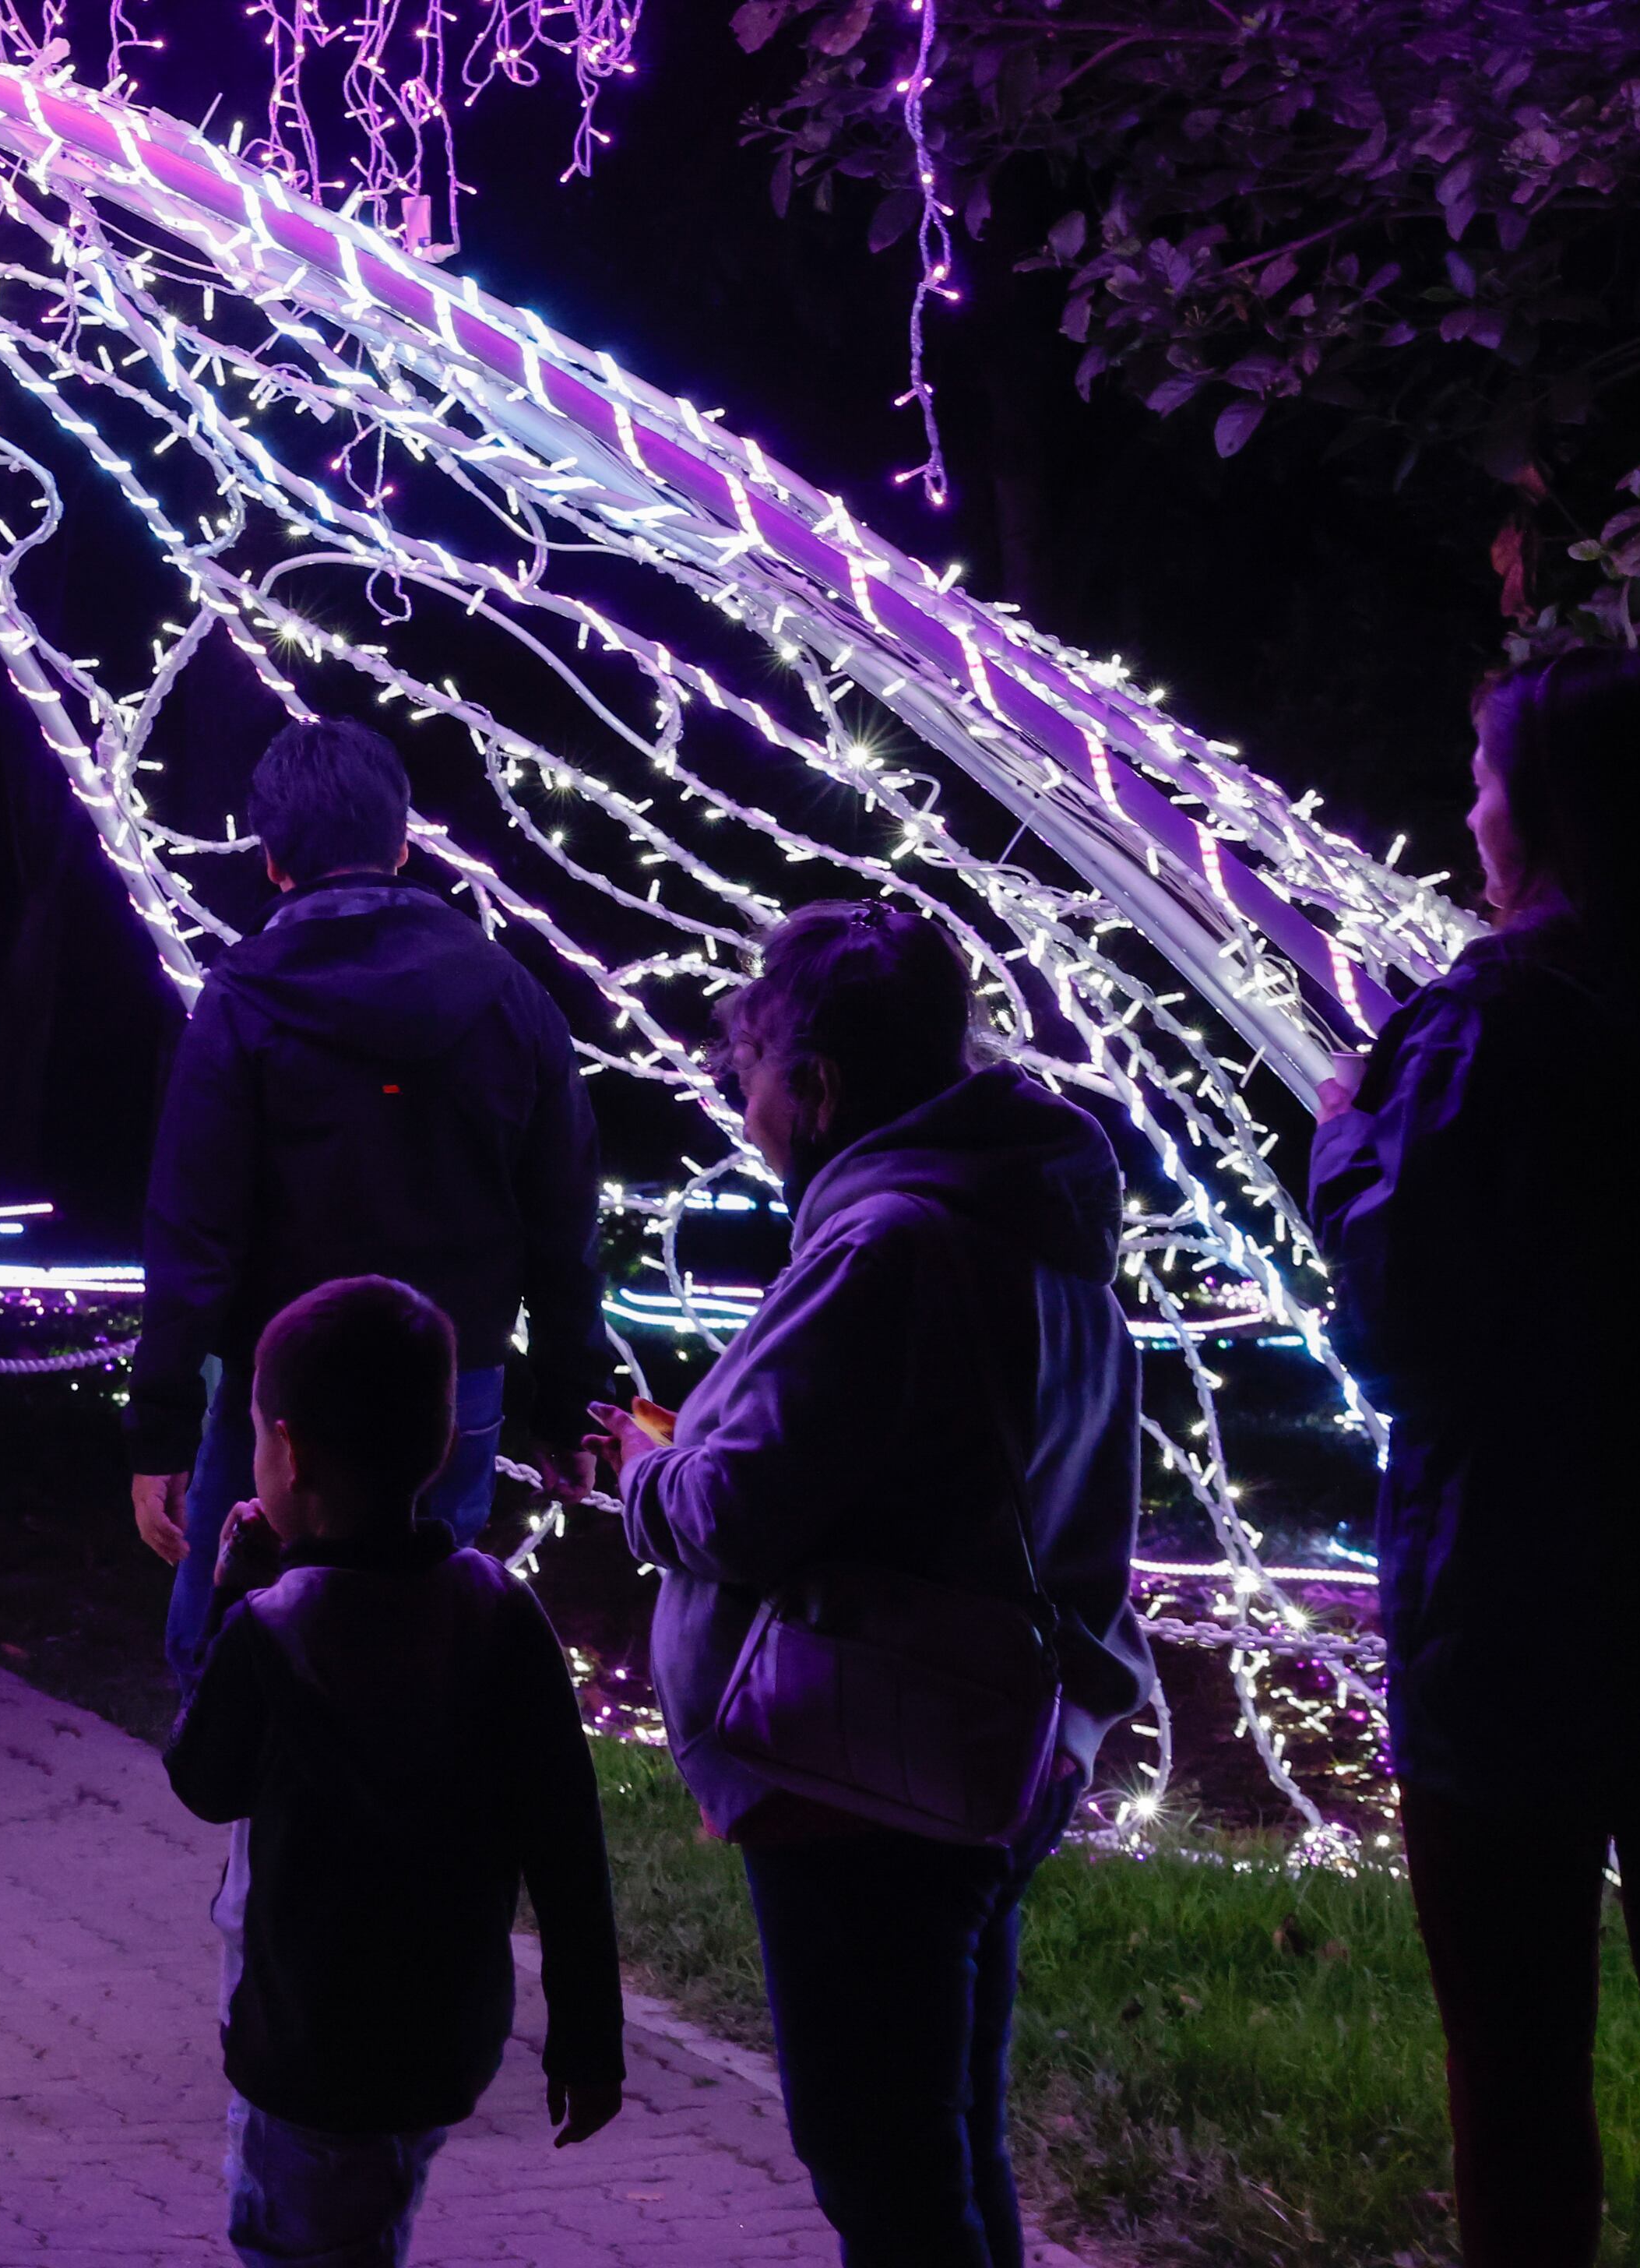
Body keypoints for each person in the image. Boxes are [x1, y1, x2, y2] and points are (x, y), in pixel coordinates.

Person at [590, 900, 1149, 2266]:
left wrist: (637, 1470)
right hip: (997, 1745)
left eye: (754, 1077)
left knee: (880, 2161)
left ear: (819, 1084)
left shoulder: (884, 1247)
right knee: (948, 2138)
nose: (750, 1111)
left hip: (864, 1770)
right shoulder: (1035, 1218)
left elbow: (735, 1503)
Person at [1311, 650, 1640, 2265]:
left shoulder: (1488, 1026)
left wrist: (1349, 1141)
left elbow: (1405, 1334)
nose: (1467, 815)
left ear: (1549, 811)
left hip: (1519, 1613)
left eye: (1485, 782)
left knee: (1520, 2071)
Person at [129, 717, 608, 1694]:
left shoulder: (242, 1000)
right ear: (401, 843)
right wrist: (567, 1405)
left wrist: (162, 1425)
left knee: (237, 1637)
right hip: (452, 1378)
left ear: (271, 861)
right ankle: (408, 1827)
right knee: (425, 1634)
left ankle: (278, 1833)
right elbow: (564, 1216)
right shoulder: (511, 996)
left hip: (284, 1390)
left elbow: (194, 1228)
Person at [166, 1274, 625, 2267]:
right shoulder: (499, 1611)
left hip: (307, 2052)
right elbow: (566, 1838)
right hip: (440, 2034)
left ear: (288, 1452)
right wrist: (589, 2038)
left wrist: (230, 1599)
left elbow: (205, 1778)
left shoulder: (278, 1625)